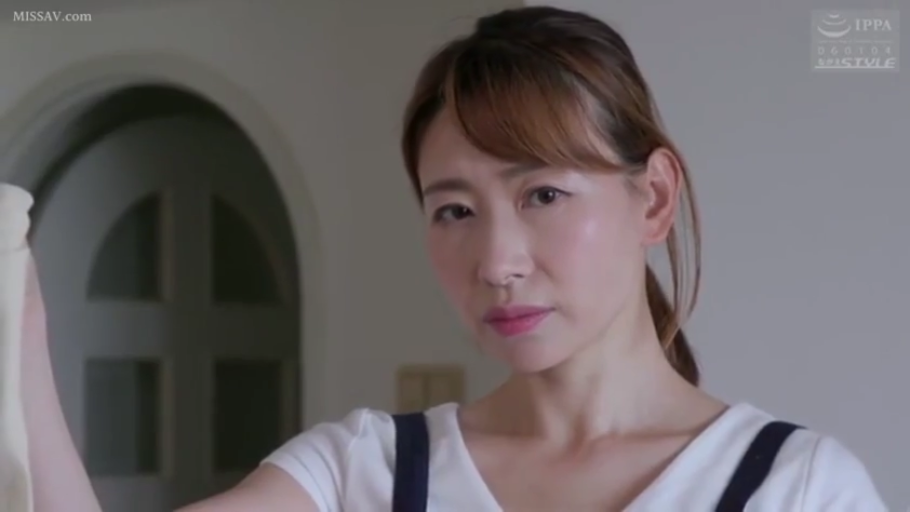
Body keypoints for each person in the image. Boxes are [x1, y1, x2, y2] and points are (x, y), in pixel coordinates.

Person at [23, 6, 886, 512]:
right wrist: (20, 329)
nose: (497, 261)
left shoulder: (796, 488)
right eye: (455, 211)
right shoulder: (365, 473)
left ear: (653, 198)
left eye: (543, 195)